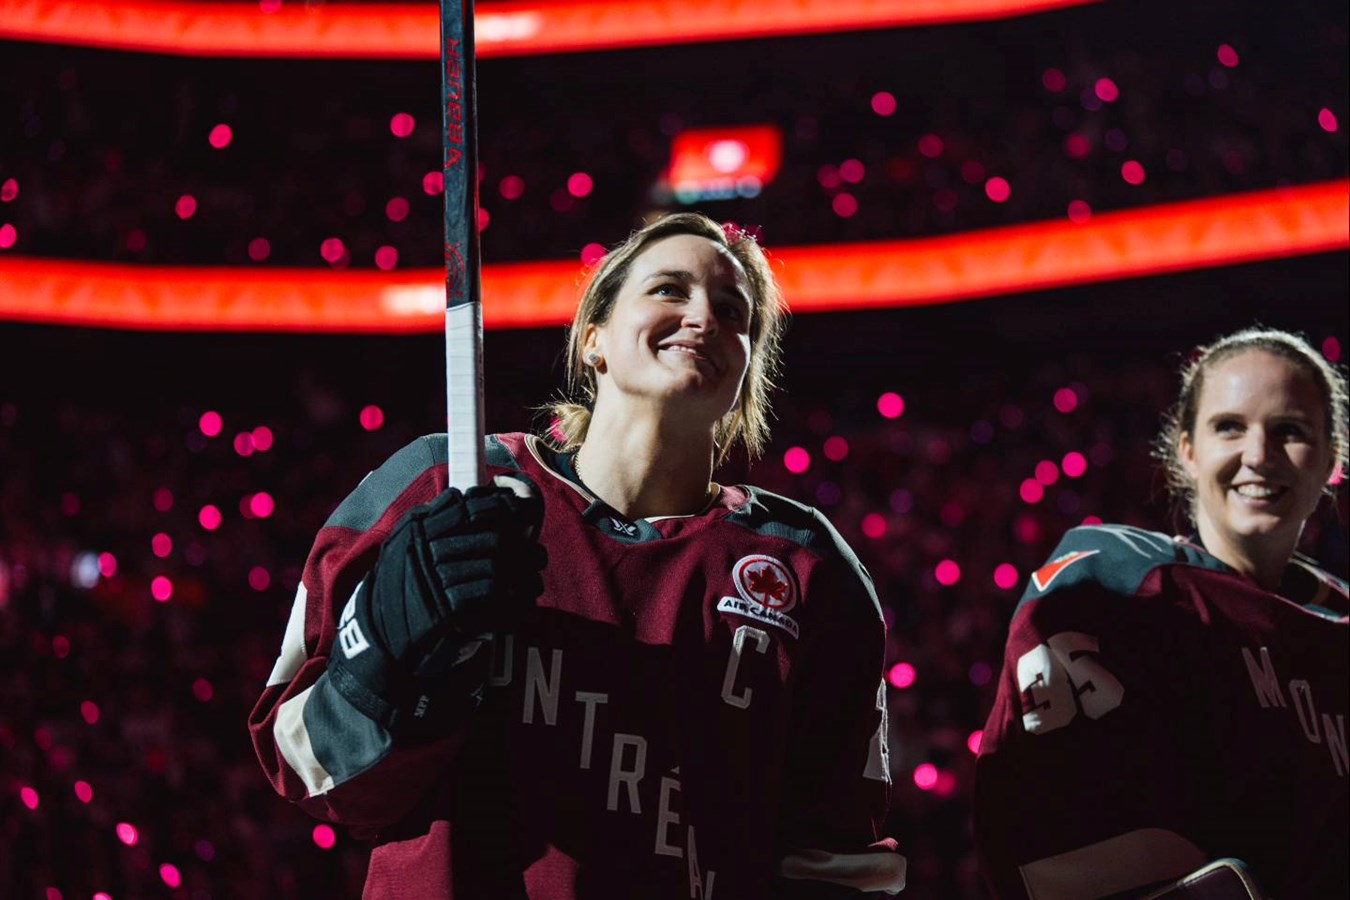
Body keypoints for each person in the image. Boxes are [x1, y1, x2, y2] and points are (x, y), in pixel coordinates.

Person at [249, 212, 905, 899]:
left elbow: (837, 864)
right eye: (670, 290)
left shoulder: (809, 567)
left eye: (733, 311)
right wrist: (386, 648)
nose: (704, 315)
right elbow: (304, 767)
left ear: (747, 369)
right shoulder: (443, 483)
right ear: (594, 338)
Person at [975, 327, 1348, 899]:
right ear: (1187, 450)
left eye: (1289, 431)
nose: (1258, 455)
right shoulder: (1120, 586)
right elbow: (1046, 842)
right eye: (1229, 427)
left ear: (1332, 460)